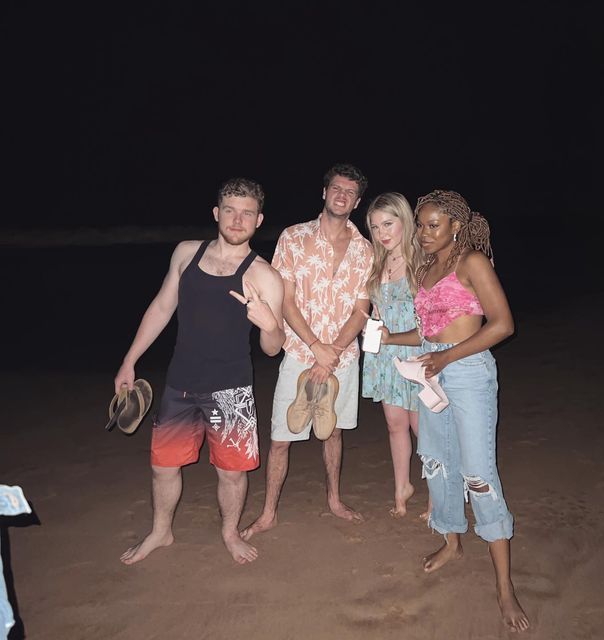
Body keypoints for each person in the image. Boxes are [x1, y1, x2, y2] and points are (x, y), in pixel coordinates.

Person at [114, 178, 285, 565]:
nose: (237, 220)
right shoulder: (186, 254)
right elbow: (161, 308)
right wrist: (129, 360)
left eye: (247, 213)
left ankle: (229, 532)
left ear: (259, 220)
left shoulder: (265, 276)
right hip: (181, 385)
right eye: (230, 210)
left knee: (231, 473)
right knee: (162, 467)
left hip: (232, 392)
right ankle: (161, 531)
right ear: (216, 213)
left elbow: (272, 348)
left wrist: (269, 324)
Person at [382, 190, 530, 632]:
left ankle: (504, 586)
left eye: (433, 226)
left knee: (479, 473)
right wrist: (391, 338)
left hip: (467, 375)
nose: (423, 234)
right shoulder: (427, 268)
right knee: (437, 462)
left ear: (455, 227)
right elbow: (429, 334)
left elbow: (503, 325)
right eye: (421, 226)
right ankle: (451, 542)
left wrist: (447, 359)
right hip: (431, 371)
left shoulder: (472, 264)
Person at [241, 163, 373, 540]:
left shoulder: (365, 250)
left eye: (350, 192)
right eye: (336, 188)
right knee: (281, 436)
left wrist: (334, 350)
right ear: (325, 192)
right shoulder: (294, 238)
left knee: (332, 432)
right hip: (299, 351)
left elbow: (362, 307)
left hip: (343, 358)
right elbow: (286, 300)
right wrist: (316, 348)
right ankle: (268, 513)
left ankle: (334, 499)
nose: (341, 196)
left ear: (357, 201)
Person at [361, 192, 429, 518]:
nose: (382, 233)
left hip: (416, 357)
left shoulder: (422, 263)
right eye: (375, 227)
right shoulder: (378, 262)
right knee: (394, 425)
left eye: (388, 224)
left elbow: (431, 326)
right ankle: (402, 486)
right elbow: (376, 309)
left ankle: (436, 495)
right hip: (385, 357)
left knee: (422, 428)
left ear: (404, 221)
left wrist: (391, 337)